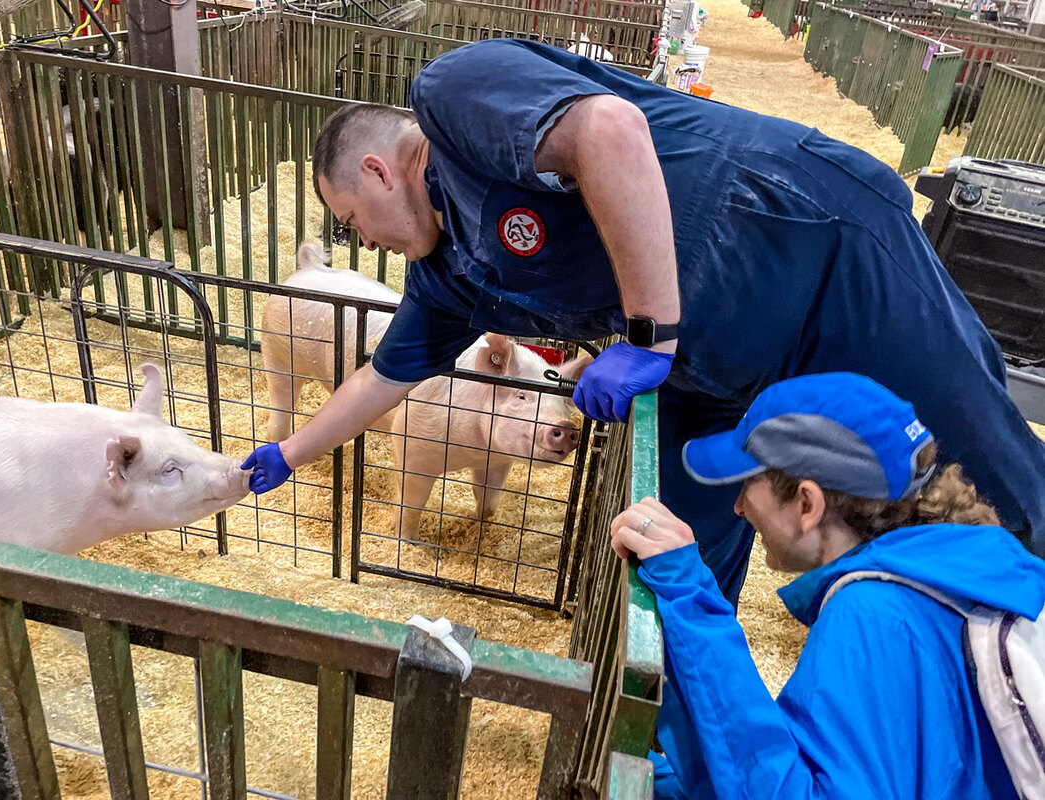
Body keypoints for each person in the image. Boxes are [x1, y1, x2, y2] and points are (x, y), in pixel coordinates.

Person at [243, 38, 1045, 606]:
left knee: (976, 464)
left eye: (352, 220)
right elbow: (383, 378)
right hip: (710, 365)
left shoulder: (451, 98)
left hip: (813, 251)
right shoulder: (446, 273)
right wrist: (286, 452)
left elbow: (609, 129)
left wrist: (647, 337)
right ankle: (678, 725)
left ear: (379, 171)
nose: (362, 242)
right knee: (676, 543)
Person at [610, 372, 1045, 799]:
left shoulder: (875, 617)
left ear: (807, 504)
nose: (739, 507)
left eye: (748, 484)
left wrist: (692, 602)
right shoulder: (967, 566)